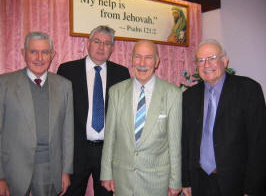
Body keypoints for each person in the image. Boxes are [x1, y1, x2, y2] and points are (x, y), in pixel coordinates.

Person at [182, 39, 266, 196]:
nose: (206, 65)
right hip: (199, 181)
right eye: (201, 60)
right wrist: (185, 180)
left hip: (237, 183)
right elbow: (185, 141)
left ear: (225, 61)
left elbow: (259, 143)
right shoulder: (189, 96)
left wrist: (253, 188)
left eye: (212, 58)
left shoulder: (248, 90)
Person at [100, 40, 182, 196]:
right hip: (122, 180)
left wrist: (175, 181)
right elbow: (110, 137)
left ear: (157, 61)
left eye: (149, 57)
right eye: (137, 57)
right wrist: (106, 173)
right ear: (131, 60)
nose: (142, 63)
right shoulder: (116, 91)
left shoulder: (173, 94)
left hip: (157, 182)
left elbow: (175, 143)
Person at [57, 25, 130, 196]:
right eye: (97, 41)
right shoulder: (67, 70)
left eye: (107, 43)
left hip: (108, 152)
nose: (101, 47)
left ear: (112, 48)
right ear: (87, 43)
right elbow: (59, 115)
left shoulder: (122, 73)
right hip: (76, 151)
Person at [0, 31, 74, 196]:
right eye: (33, 51)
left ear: (52, 55)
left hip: (50, 168)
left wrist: (66, 171)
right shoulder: (4, 84)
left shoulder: (64, 86)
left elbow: (67, 133)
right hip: (13, 170)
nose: (39, 58)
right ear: (23, 53)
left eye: (45, 52)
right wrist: (0, 177)